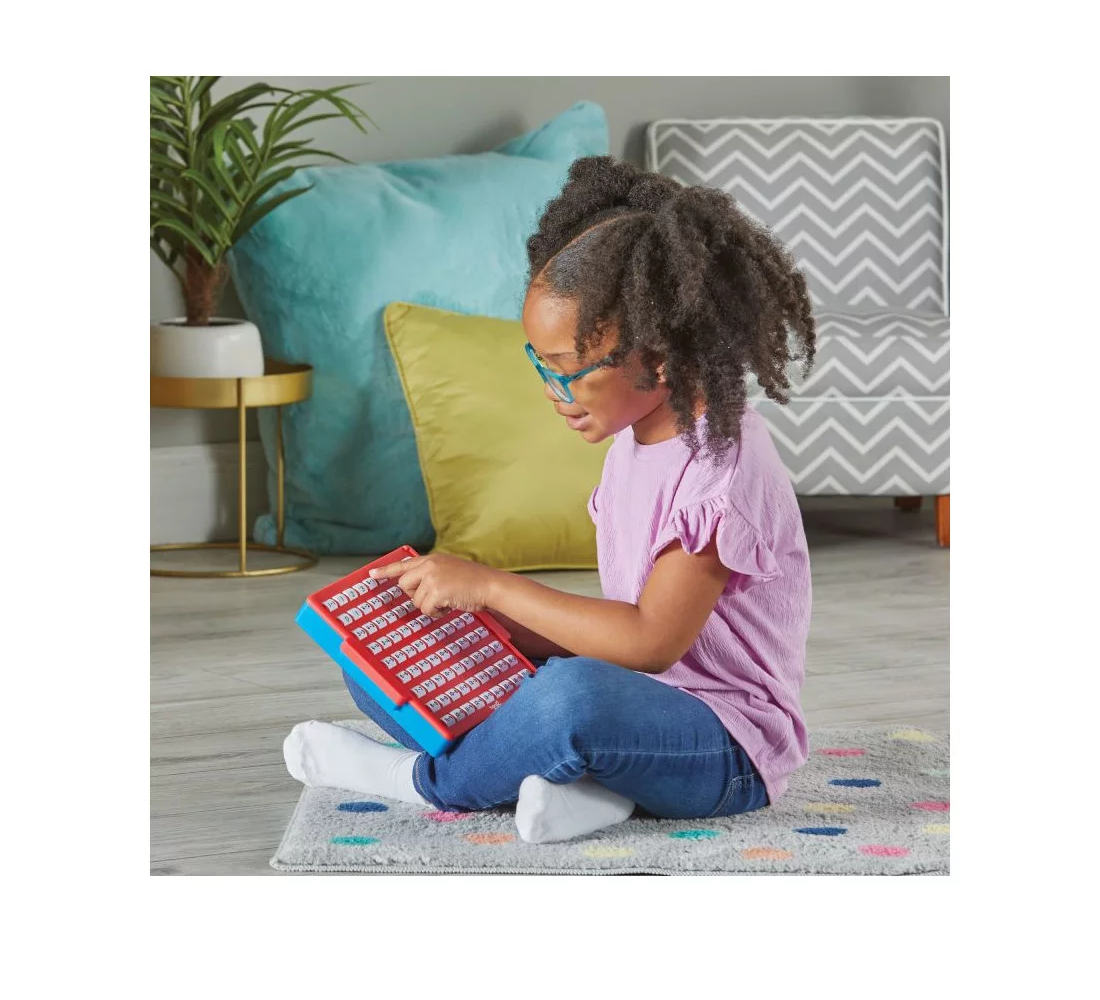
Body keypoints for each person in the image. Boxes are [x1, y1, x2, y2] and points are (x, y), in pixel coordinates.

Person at [284, 155, 816, 844]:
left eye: (567, 370)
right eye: (540, 363)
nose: (550, 389)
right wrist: (475, 619)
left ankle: (424, 781)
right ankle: (591, 792)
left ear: (658, 358)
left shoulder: (721, 468)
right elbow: (607, 639)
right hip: (633, 705)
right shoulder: (637, 439)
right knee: (381, 651)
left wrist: (493, 587)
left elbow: (649, 642)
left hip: (724, 747)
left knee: (571, 700)